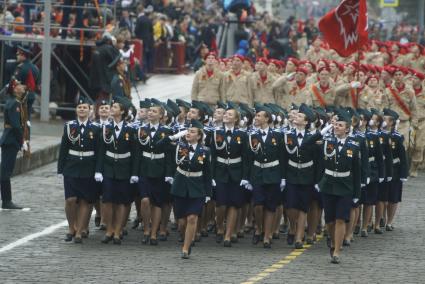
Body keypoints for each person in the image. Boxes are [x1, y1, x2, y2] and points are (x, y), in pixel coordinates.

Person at [318, 108, 361, 264]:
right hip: (328, 184)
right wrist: (327, 128)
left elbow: (357, 172)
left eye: (340, 125)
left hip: (345, 186)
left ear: (347, 128)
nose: (337, 127)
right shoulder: (327, 141)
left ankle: (336, 250)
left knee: (341, 219)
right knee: (329, 220)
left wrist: (357, 192)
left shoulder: (354, 146)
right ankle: (331, 236)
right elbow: (312, 146)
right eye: (336, 125)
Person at [95, 96, 139, 244]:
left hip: (124, 167)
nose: (111, 109)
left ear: (122, 111)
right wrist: (99, 170)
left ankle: (118, 231)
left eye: (114, 107)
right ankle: (109, 229)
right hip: (108, 166)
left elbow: (135, 153)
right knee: (107, 200)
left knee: (121, 201)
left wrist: (134, 173)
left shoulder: (131, 129)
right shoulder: (106, 127)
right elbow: (101, 149)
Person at [57, 96, 100, 243]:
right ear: (76, 110)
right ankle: (71, 227)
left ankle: (80, 231)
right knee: (70, 200)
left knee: (85, 201)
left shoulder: (96, 128)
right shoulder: (69, 126)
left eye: (85, 108)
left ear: (90, 111)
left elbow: (99, 151)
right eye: (80, 107)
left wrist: (98, 170)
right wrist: (60, 168)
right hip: (71, 166)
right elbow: (64, 148)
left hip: (89, 167)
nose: (82, 109)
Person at [282, 104, 323, 249]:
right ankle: (293, 227)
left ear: (306, 122)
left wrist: (317, 180)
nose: (296, 118)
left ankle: (299, 237)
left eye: (299, 116)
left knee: (304, 207)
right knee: (291, 206)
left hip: (307, 175)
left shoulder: (313, 138)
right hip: (292, 174)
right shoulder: (287, 135)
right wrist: (283, 177)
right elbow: (284, 157)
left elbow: (318, 161)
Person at [170, 120, 212, 259]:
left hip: (197, 187)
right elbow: (163, 144)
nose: (189, 133)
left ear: (199, 136)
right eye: (188, 131)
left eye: (192, 132)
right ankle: (186, 237)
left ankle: (186, 248)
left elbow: (208, 172)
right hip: (180, 185)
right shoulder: (179, 146)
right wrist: (175, 136)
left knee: (192, 217)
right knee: (182, 222)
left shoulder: (205, 151)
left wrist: (208, 193)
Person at [246, 104, 285, 248]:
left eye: (259, 116)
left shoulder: (277, 135)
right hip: (257, 173)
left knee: (270, 206)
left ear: (267, 119)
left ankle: (267, 235)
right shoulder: (252, 136)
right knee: (257, 205)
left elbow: (282, 157)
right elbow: (248, 158)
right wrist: (247, 177)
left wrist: (283, 177)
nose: (256, 118)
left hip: (273, 173)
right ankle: (258, 228)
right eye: (256, 116)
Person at [210, 103, 249, 247]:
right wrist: (211, 176)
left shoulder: (242, 135)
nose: (226, 116)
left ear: (236, 119)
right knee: (221, 204)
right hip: (220, 172)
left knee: (234, 204)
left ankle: (228, 234)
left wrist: (245, 177)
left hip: (236, 172)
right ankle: (219, 226)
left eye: (230, 115)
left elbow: (246, 157)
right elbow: (212, 156)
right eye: (225, 114)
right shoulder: (216, 133)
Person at [136, 99, 174, 245]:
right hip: (145, 168)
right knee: (145, 200)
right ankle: (146, 228)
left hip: (160, 169)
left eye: (154, 111)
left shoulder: (167, 131)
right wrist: (135, 172)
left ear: (161, 116)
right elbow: (138, 152)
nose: (150, 113)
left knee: (158, 203)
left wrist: (169, 173)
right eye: (150, 111)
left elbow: (170, 155)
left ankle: (153, 233)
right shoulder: (141, 130)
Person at [0, 80, 29, 209]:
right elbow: (16, 126)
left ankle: (7, 200)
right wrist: (21, 141)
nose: (22, 87)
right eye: (19, 85)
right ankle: (7, 200)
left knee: (5, 170)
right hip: (11, 140)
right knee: (5, 171)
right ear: (14, 89)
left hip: (10, 140)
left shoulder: (15, 102)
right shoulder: (14, 104)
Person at [383, 108, 408, 231]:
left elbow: (403, 157)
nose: (383, 121)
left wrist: (403, 173)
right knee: (381, 197)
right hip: (381, 169)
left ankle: (389, 221)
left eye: (385, 119)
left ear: (392, 122)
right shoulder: (379, 134)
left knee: (393, 197)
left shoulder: (397, 137)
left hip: (394, 169)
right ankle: (380, 219)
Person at [11, 45, 40, 119]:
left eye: (18, 54)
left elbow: (14, 83)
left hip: (21, 96)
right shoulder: (35, 68)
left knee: (19, 118)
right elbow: (37, 83)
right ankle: (27, 130)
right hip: (31, 95)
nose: (16, 56)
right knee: (27, 117)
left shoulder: (20, 68)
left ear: (23, 55)